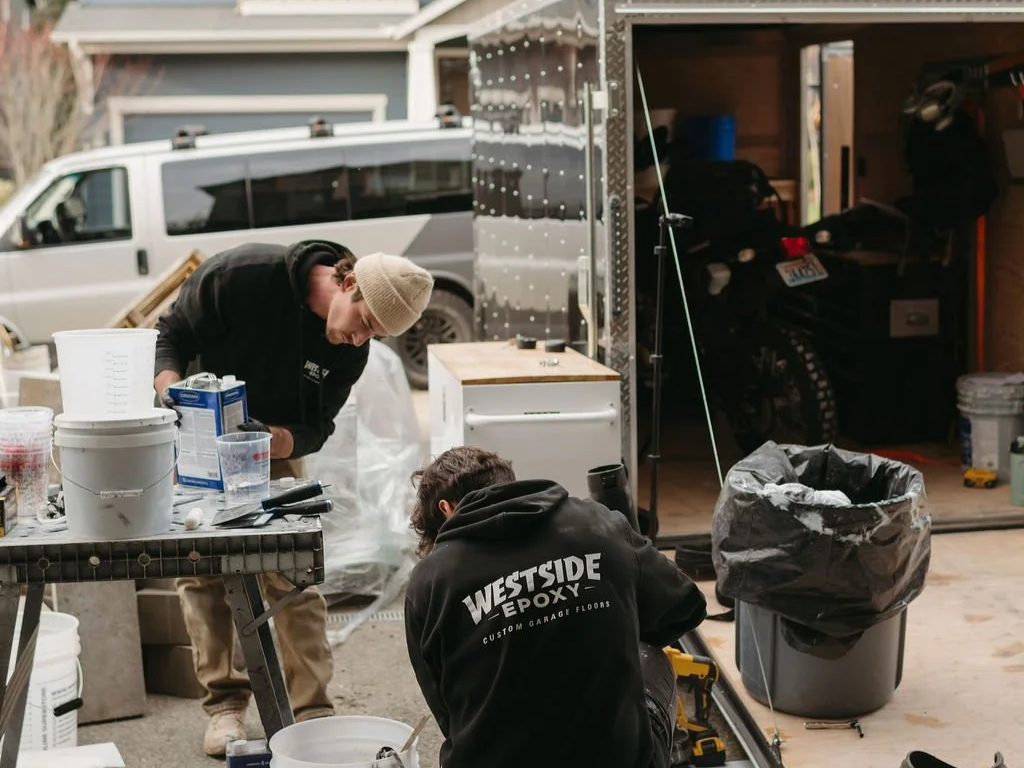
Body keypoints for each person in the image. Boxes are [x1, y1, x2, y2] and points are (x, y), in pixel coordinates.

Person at [153, 239, 433, 757]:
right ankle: (224, 706)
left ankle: (311, 711)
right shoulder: (244, 275)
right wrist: (169, 386)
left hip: (267, 446)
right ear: (347, 282)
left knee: (294, 570)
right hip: (197, 431)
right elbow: (172, 331)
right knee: (202, 570)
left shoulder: (350, 351)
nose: (360, 339)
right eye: (366, 320)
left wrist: (279, 440)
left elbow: (316, 427)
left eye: (376, 334)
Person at [404, 446, 708, 768]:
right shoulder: (597, 523)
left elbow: (447, 713)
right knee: (651, 655)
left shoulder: (429, 581)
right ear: (507, 483)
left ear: (446, 508)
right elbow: (683, 608)